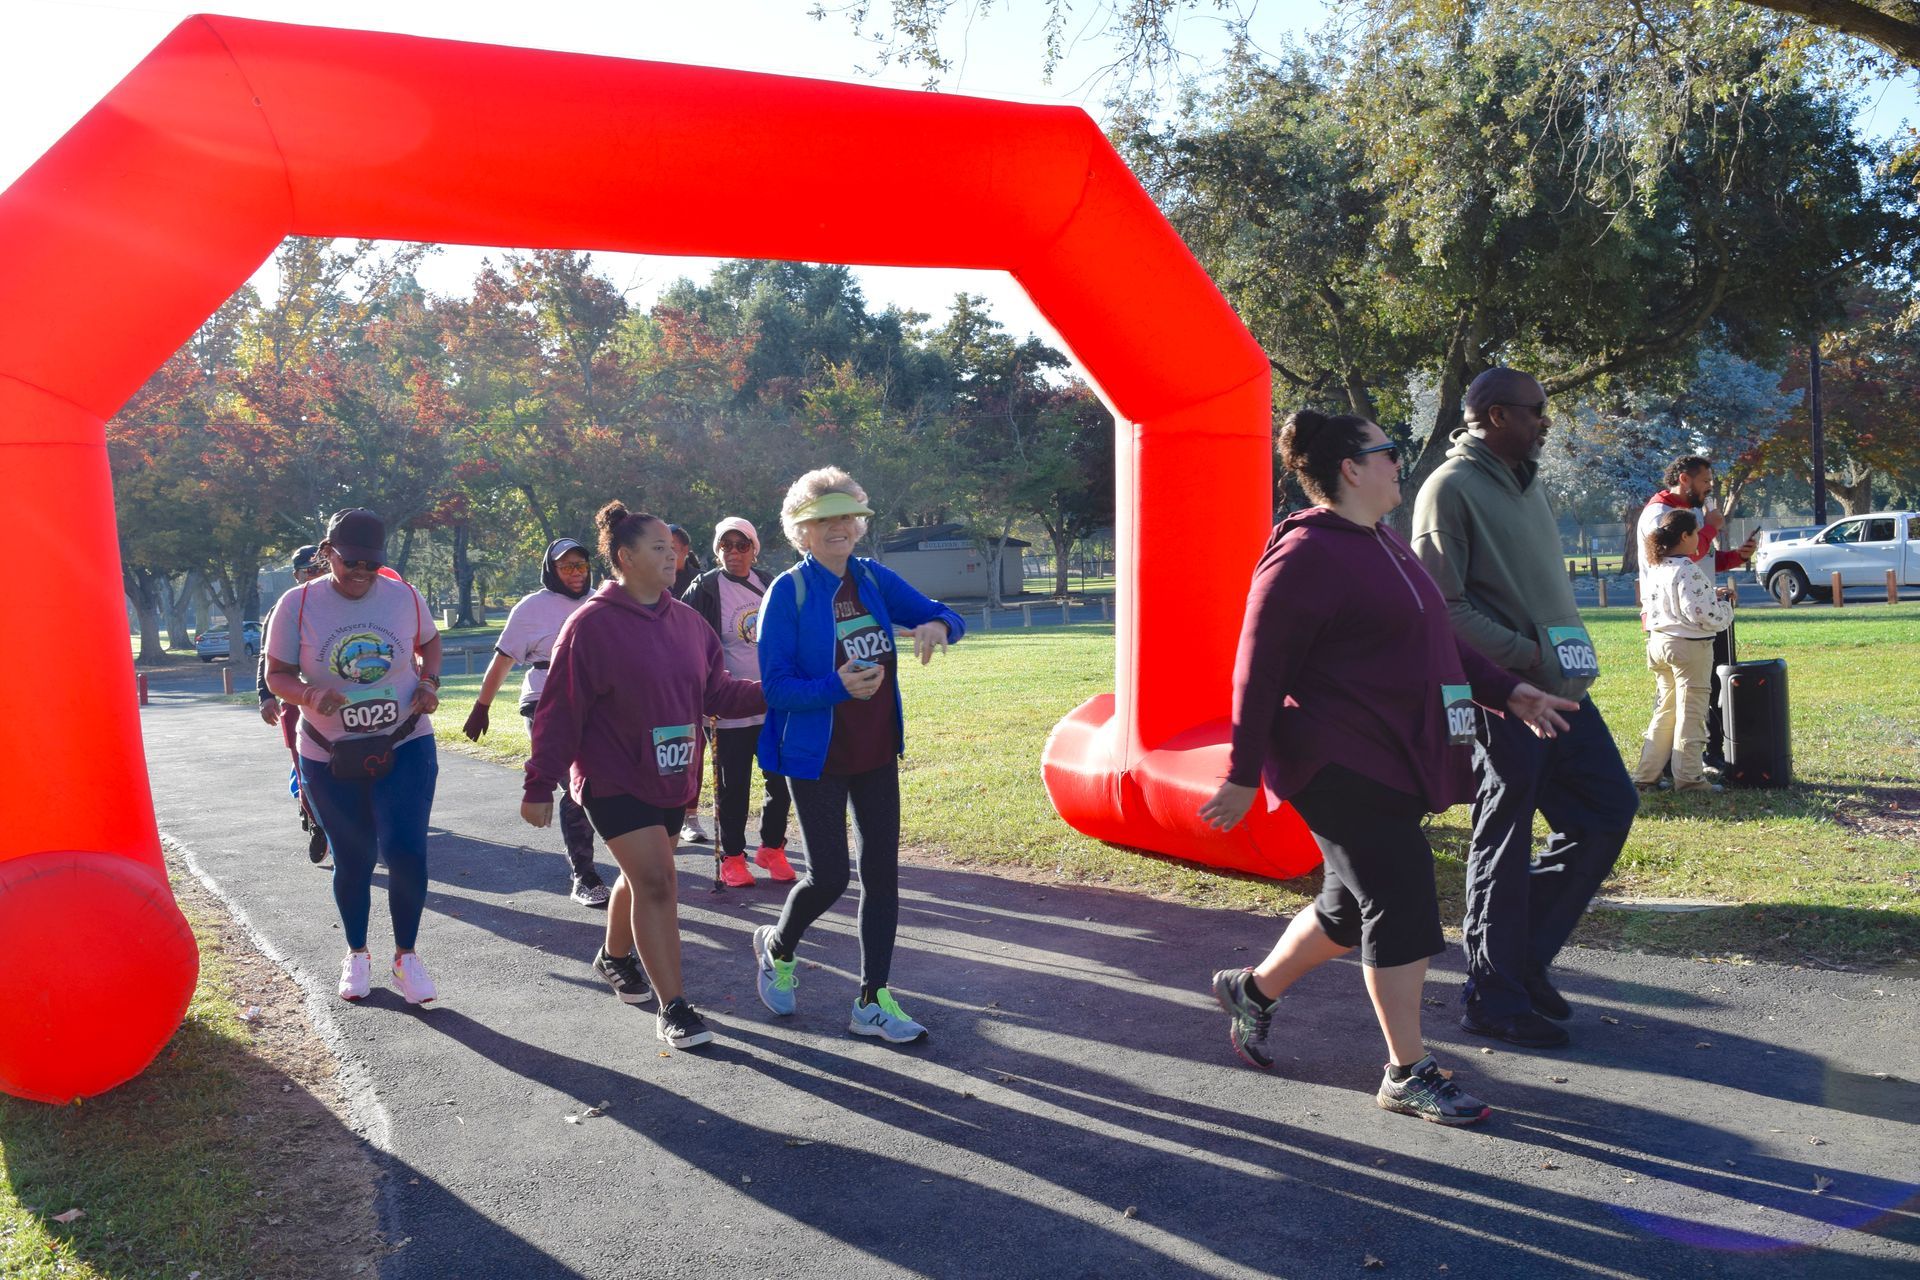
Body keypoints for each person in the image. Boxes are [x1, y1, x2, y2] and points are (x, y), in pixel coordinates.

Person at [1203, 410, 1576, 1126]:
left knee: (1349, 908)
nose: (1399, 462)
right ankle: (1407, 1072)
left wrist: (1512, 692)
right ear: (1351, 467)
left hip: (1391, 756)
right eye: (1388, 451)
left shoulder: (1382, 543)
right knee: (1401, 902)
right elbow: (1255, 672)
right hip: (1335, 761)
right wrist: (1242, 774)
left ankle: (1251, 991)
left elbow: (1438, 642)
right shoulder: (1304, 556)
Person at [1410, 367, 1640, 1049]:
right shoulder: (1448, 490)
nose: (1547, 422)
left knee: (1606, 811)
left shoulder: (1527, 482)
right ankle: (1493, 997)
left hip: (1564, 692)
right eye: (1537, 411)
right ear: (1494, 415)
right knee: (1501, 847)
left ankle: (1520, 962)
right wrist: (1522, 657)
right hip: (1505, 699)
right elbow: (1441, 612)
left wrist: (1557, 658)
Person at [522, 502, 764, 1049]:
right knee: (658, 881)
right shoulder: (589, 626)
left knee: (640, 876)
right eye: (658, 548)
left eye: (674, 548)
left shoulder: (688, 623)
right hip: (611, 777)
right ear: (625, 557)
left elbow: (718, 693)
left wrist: (783, 693)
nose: (672, 556)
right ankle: (675, 1006)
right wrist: (540, 783)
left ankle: (613, 956)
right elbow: (560, 711)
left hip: (673, 777)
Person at [748, 467, 964, 1044]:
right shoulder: (787, 592)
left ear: (860, 522)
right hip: (814, 757)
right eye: (824, 519)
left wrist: (939, 625)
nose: (839, 527)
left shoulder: (873, 580)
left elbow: (945, 612)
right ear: (802, 531)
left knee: (882, 877)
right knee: (830, 877)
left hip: (872, 751)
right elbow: (776, 688)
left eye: (846, 515)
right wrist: (837, 686)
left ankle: (872, 999)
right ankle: (778, 945)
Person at [264, 509, 444, 1005]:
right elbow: (276, 672)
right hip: (328, 752)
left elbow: (429, 642)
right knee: (355, 857)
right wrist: (306, 695)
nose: (362, 572)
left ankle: (407, 957)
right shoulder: (297, 604)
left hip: (404, 740)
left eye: (372, 562)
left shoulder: (403, 594)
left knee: (407, 851)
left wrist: (429, 682)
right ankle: (357, 953)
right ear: (328, 553)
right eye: (351, 561)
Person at [462, 538, 610, 908]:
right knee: (575, 784)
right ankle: (584, 874)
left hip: (596, 702)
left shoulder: (603, 600)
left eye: (580, 565)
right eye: (566, 567)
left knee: (602, 783)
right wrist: (482, 706)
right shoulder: (531, 608)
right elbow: (503, 661)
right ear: (551, 570)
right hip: (544, 701)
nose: (576, 573)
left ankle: (622, 856)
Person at [681, 517, 796, 888]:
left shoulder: (768, 584)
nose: (733, 552)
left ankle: (772, 848)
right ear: (716, 550)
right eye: (725, 545)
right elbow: (686, 639)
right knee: (733, 786)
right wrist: (703, 689)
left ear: (753, 548)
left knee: (782, 781)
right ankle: (732, 856)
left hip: (772, 701)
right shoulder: (705, 587)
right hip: (727, 706)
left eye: (741, 544)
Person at [1636, 457, 1756, 773]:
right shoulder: (1659, 513)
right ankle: (1680, 771)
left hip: (1691, 617)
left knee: (1700, 695)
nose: (1708, 489)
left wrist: (1736, 557)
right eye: (1705, 482)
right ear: (1685, 479)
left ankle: (1693, 759)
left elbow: (1701, 561)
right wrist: (1712, 527)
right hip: (1679, 626)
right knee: (1680, 704)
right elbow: (1677, 556)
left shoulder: (1691, 512)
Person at [1633, 510, 1736, 794]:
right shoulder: (1688, 569)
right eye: (1696, 533)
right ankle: (1689, 779)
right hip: (1689, 649)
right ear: (1684, 536)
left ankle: (1646, 775)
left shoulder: (1657, 566)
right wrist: (1726, 607)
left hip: (1659, 643)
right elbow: (1701, 613)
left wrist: (1709, 594)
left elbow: (1679, 601)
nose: (1699, 541)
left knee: (1665, 711)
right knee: (1691, 714)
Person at [258, 544, 331, 864]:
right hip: (295, 698)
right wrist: (266, 695)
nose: (315, 576)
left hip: (343, 699)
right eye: (308, 571)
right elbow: (267, 658)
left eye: (321, 568)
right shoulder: (284, 608)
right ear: (295, 575)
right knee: (304, 766)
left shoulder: (344, 603)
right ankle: (317, 823)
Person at [670, 525, 711, 843]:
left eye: (672, 547)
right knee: (668, 750)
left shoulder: (702, 584)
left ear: (686, 550)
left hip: (699, 677)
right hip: (661, 681)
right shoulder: (651, 580)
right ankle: (666, 817)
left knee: (694, 750)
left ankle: (690, 817)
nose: (667, 554)